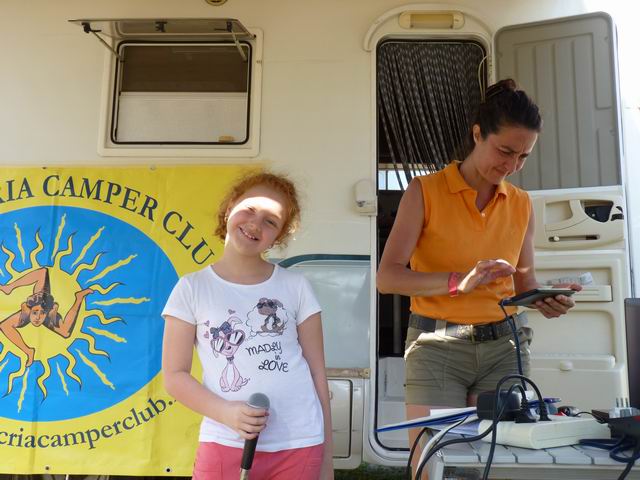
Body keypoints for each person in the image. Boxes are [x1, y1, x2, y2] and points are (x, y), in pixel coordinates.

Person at [376, 79, 582, 473]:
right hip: (436, 347)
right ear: (477, 134)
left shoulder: (521, 203)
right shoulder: (425, 191)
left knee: (495, 466)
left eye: (523, 156)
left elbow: (523, 284)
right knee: (434, 467)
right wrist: (458, 282)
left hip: (505, 348)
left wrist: (546, 299)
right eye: (504, 151)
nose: (511, 166)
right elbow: (388, 277)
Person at [162, 171, 334, 480]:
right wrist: (225, 413)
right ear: (230, 207)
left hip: (301, 444)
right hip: (224, 442)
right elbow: (174, 376)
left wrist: (327, 460)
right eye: (249, 209)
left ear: (279, 237)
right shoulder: (191, 288)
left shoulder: (296, 286)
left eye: (271, 221)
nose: (255, 224)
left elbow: (317, 374)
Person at [0, 267, 93, 366]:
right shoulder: (26, 313)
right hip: (33, 307)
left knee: (65, 332)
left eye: (42, 313)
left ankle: (79, 297)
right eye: (35, 312)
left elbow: (63, 329)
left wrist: (78, 299)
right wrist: (11, 286)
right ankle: (29, 351)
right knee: (43, 272)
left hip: (47, 309)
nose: (38, 318)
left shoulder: (48, 314)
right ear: (30, 309)